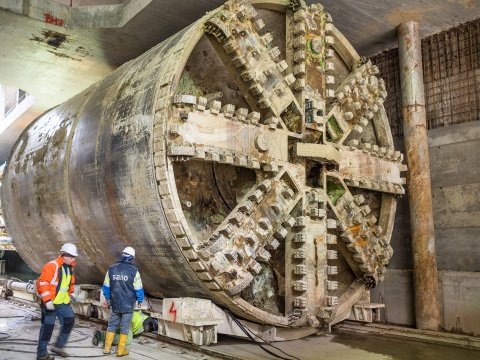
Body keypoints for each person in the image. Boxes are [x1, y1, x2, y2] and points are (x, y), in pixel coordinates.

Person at [36, 243, 78, 360]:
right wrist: (47, 300)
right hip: (51, 303)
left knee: (69, 321)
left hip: (63, 302)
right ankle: (42, 354)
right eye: (72, 256)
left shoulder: (69, 267)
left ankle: (58, 347)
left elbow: (67, 283)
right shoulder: (52, 266)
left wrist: (71, 293)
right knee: (47, 328)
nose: (73, 259)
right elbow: (42, 283)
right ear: (64, 255)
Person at [102, 246, 144, 357]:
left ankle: (107, 349)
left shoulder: (111, 269)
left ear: (122, 255)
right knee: (124, 327)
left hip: (115, 303)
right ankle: (120, 351)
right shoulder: (134, 271)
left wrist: (108, 299)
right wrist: (140, 300)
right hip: (128, 304)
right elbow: (138, 289)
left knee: (112, 325)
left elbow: (106, 287)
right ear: (132, 258)